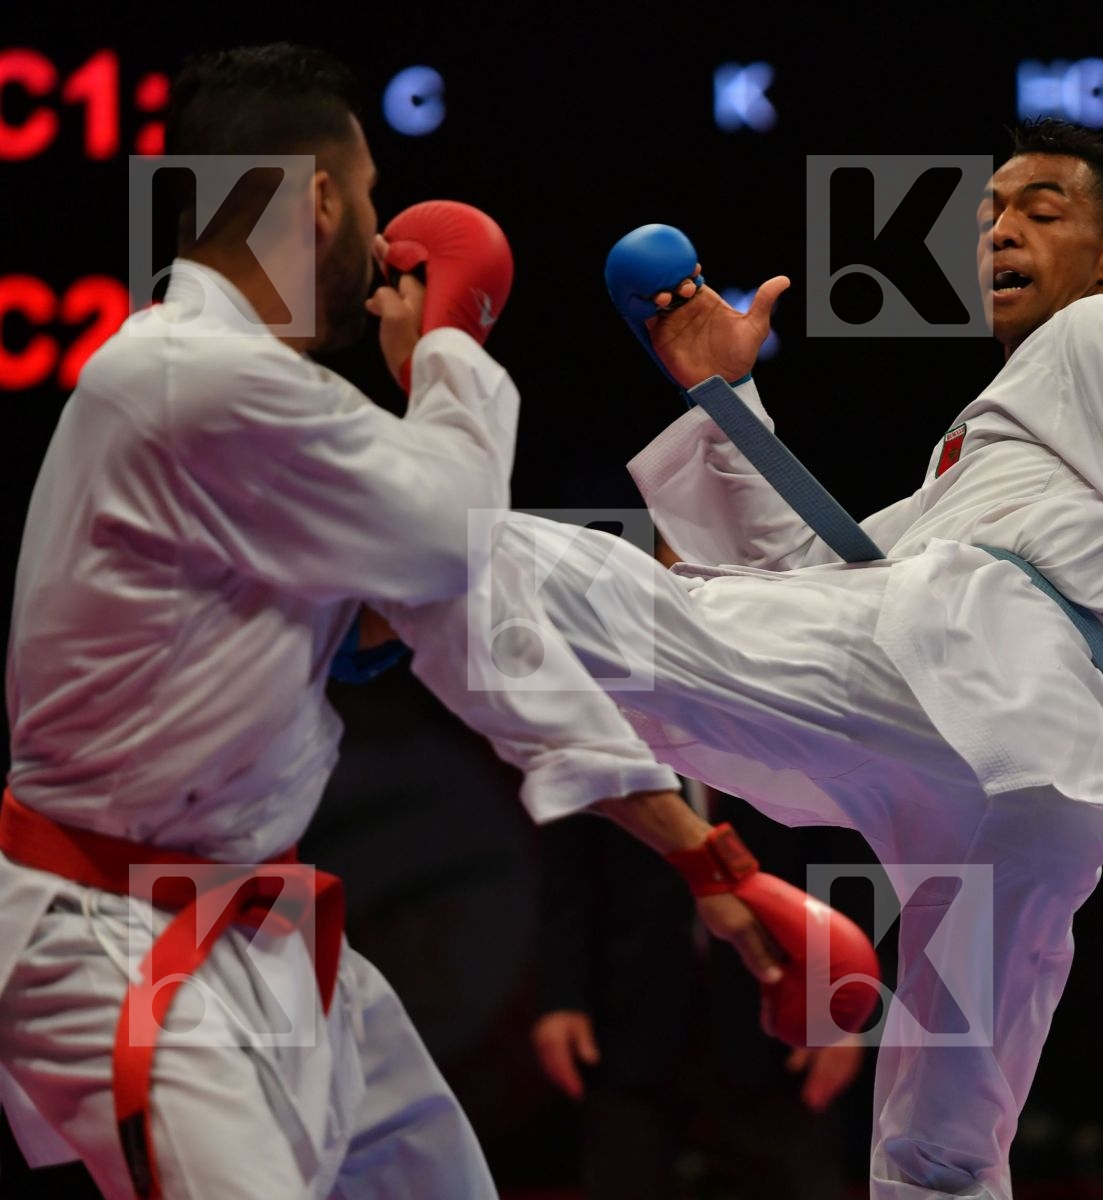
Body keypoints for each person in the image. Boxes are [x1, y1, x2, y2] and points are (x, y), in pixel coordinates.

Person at [481, 117, 1103, 1198]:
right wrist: (722, 396)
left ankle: (405, 551)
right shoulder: (992, 447)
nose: (1003, 228)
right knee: (942, 1154)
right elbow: (832, 578)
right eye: (992, 213)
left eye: (1042, 210)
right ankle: (408, 568)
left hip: (982, 671)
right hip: (1032, 773)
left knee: (564, 591)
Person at [0, 43, 810, 1199]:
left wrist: (711, 865)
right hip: (105, 933)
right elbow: (447, 530)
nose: (383, 236)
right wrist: (449, 344)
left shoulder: (274, 417)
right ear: (319, 198)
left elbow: (488, 645)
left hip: (259, 925)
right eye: (372, 194)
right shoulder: (179, 376)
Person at [533, 782, 865, 1200]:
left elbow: (852, 864)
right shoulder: (609, 736)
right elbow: (567, 872)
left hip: (782, 1023)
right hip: (627, 1014)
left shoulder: (798, 735)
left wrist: (848, 1006)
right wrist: (561, 999)